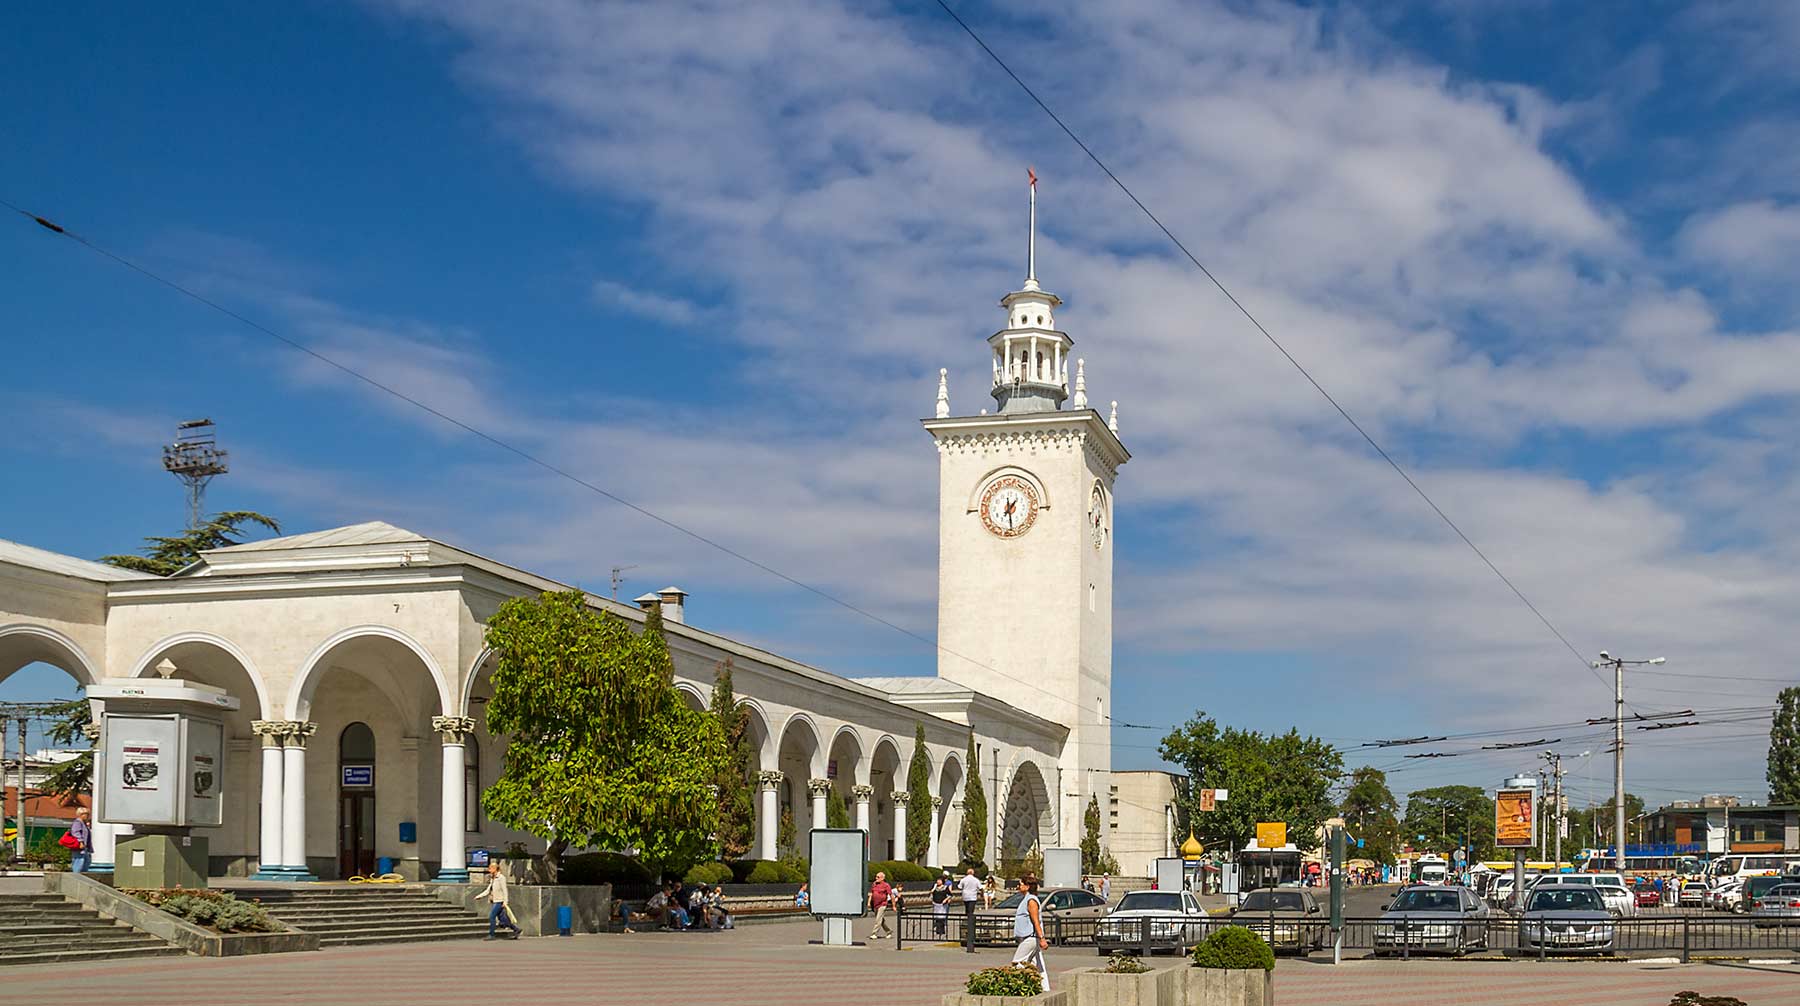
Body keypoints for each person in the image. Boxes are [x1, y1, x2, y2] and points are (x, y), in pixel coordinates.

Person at [1010, 874, 1049, 994]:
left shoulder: (1031, 900)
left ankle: (1015, 987)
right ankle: (1045, 990)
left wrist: (1042, 938)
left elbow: (1035, 920)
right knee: (1038, 966)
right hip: (1030, 938)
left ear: (1027, 886)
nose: (1018, 886)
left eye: (1020, 884)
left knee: (1018, 963)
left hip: (1030, 938)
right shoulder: (1027, 899)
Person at [473, 861, 520, 940]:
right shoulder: (493, 878)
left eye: (490, 868)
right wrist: (479, 896)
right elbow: (488, 890)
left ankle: (492, 934)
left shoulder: (501, 878)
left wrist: (505, 902)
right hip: (494, 900)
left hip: (499, 901)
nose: (489, 870)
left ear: (495, 869)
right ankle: (516, 929)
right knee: (503, 919)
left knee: (492, 917)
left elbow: (505, 890)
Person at [959, 867, 982, 954]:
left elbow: (959, 886)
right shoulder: (976, 880)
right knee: (971, 911)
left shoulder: (964, 879)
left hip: (965, 896)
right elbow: (980, 887)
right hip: (972, 896)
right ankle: (970, 920)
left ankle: (967, 919)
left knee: (967, 909)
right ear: (973, 873)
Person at [868, 870, 894, 940]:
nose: (876, 878)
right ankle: (889, 931)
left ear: (882, 878)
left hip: (882, 904)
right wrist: (869, 902)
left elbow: (891, 895)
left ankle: (874, 934)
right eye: (876, 877)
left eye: (878, 877)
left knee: (878, 919)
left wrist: (894, 906)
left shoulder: (886, 885)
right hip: (875, 904)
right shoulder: (874, 884)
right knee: (881, 920)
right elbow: (872, 894)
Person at [67, 807, 92, 874]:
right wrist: (81, 842)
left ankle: (82, 877)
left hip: (85, 848)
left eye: (88, 814)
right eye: (86, 814)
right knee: (79, 862)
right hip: (79, 847)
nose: (87, 816)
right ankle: (76, 877)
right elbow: (75, 832)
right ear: (80, 814)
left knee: (86, 863)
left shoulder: (84, 823)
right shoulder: (77, 822)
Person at [931, 872, 952, 937]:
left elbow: (950, 895)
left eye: (939, 880)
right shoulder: (935, 887)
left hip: (942, 904)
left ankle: (942, 930)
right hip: (936, 903)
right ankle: (938, 930)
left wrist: (945, 900)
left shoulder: (945, 887)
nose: (938, 882)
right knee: (937, 917)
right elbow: (932, 893)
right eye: (937, 880)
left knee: (942, 917)